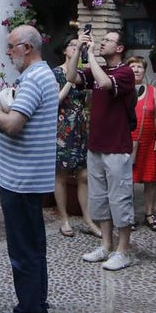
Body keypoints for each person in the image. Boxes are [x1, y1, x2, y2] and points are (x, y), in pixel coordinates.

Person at [0, 25, 58, 313]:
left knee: (23, 251)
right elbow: (20, 112)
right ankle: (36, 304)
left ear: (27, 47)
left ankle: (30, 309)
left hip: (21, 179)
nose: (8, 52)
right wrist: (1, 96)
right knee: (33, 247)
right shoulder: (38, 76)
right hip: (26, 177)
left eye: (12, 47)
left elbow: (12, 125)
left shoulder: (34, 79)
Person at [67, 27, 136, 271]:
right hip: (95, 146)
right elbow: (71, 77)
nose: (103, 42)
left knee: (120, 200)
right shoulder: (97, 69)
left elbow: (106, 84)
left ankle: (123, 251)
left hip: (116, 147)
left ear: (119, 48)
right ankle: (106, 246)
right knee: (99, 200)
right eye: (102, 39)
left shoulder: (126, 72)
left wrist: (93, 56)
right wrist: (79, 50)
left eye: (108, 40)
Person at [52, 35, 99, 238]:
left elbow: (87, 102)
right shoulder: (55, 73)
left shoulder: (83, 74)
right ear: (65, 50)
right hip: (62, 128)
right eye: (72, 45)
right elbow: (56, 100)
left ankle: (88, 219)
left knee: (84, 175)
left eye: (78, 46)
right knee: (61, 175)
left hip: (81, 127)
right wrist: (70, 81)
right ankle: (64, 219)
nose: (75, 49)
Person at [129, 55, 156, 232]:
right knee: (127, 181)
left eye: (140, 67)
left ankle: (150, 214)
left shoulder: (152, 91)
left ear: (144, 70)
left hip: (149, 141)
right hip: (127, 142)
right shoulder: (123, 90)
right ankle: (129, 215)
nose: (136, 69)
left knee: (150, 180)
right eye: (133, 66)